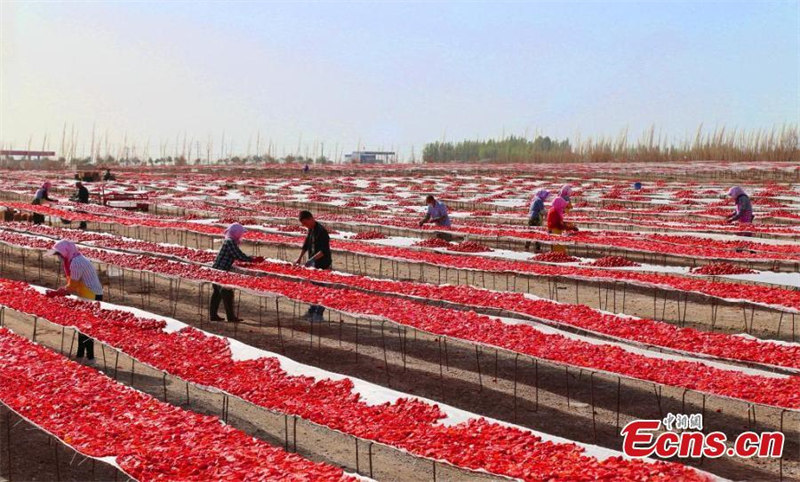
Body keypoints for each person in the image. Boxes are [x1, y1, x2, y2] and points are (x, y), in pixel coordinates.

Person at [46, 240, 103, 365]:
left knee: (87, 326)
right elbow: (72, 285)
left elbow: (72, 286)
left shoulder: (76, 263)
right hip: (86, 293)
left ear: (65, 252)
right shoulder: (74, 259)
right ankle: (81, 354)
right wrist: (62, 291)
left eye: (59, 254)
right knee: (82, 325)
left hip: (91, 294)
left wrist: (57, 293)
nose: (59, 257)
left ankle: (90, 357)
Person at [210, 223, 263, 322]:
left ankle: (214, 316)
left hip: (217, 269)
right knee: (227, 292)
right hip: (220, 270)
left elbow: (237, 255)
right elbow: (238, 255)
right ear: (236, 233)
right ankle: (230, 317)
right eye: (240, 233)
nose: (241, 235)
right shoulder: (230, 242)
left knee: (217, 293)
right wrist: (253, 260)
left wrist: (251, 259)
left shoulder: (230, 241)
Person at [295, 211, 331, 322]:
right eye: (303, 224)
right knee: (314, 288)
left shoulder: (322, 231)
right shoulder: (311, 229)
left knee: (321, 289)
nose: (305, 226)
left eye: (306, 223)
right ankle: (312, 311)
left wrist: (311, 260)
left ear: (311, 218)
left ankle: (319, 315)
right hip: (314, 264)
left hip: (323, 264)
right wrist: (299, 258)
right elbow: (306, 244)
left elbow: (324, 251)